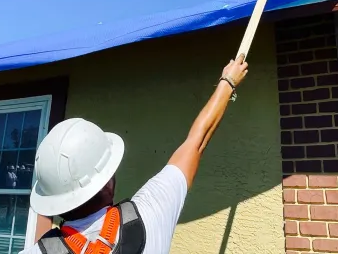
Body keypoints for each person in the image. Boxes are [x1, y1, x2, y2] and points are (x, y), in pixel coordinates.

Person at [22, 55, 249, 254]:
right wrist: (228, 81)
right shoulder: (150, 212)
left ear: (54, 202)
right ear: (108, 183)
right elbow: (196, 142)